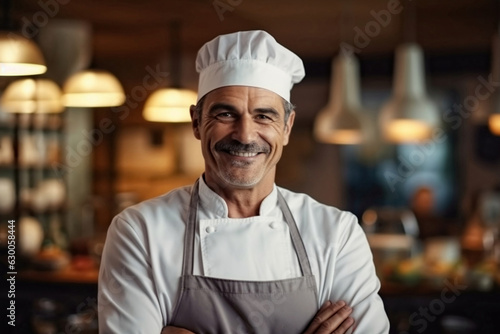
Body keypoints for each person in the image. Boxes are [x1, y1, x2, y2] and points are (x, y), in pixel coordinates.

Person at [98, 30, 390, 334]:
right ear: (196, 122)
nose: (245, 135)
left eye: (264, 116)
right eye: (226, 114)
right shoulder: (139, 232)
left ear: (287, 127)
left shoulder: (337, 235)